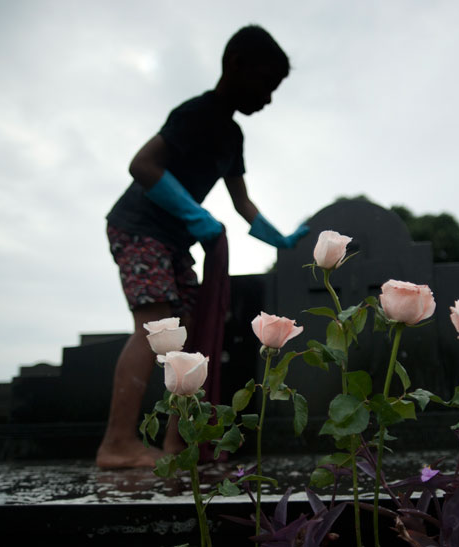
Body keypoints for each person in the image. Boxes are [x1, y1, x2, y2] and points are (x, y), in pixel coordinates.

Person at [96, 25, 307, 469]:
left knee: (183, 333)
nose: (268, 99)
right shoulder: (197, 113)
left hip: (175, 241)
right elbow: (143, 165)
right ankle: (117, 443)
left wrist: (283, 240)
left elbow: (242, 203)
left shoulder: (233, 138)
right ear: (237, 67)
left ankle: (178, 441)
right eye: (266, 85)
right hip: (138, 228)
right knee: (155, 329)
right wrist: (196, 216)